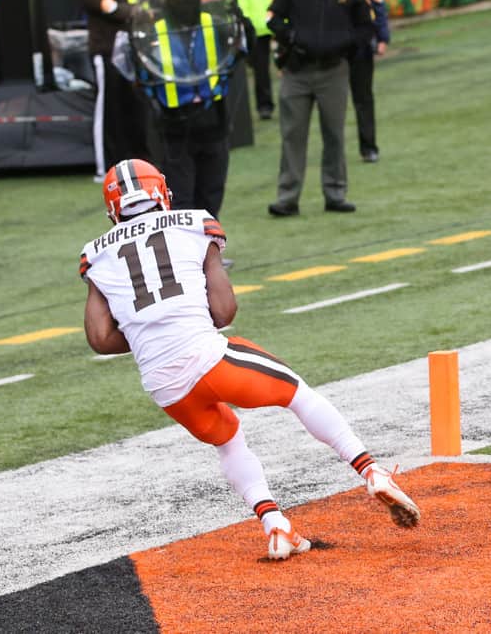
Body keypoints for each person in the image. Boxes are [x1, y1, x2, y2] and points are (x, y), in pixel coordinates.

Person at [80, 158, 421, 560]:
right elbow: (224, 311)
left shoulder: (96, 254)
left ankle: (276, 525)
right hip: (207, 355)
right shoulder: (192, 223)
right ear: (161, 194)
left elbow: (100, 339)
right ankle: (372, 471)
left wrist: (146, 333)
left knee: (228, 440)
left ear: (113, 208)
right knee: (297, 393)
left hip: (162, 383)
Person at [133, 0, 244, 221]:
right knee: (180, 194)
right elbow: (138, 72)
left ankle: (210, 251)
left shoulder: (214, 24)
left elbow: (240, 50)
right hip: (174, 123)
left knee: (212, 189)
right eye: (177, 1)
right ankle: (188, 255)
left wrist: (240, 23)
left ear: (197, 0)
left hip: (213, 118)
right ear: (166, 4)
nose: (183, 5)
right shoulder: (152, 33)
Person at [266, 0, 373, 217]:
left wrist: (348, 46)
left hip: (333, 71)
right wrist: (290, 37)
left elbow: (366, 26)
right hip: (296, 71)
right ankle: (287, 198)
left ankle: (335, 193)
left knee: (334, 132)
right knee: (292, 134)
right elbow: (273, 17)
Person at [79, 0, 153, 180]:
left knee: (133, 109)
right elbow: (110, 8)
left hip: (127, 54)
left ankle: (140, 164)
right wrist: (139, 10)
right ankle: (106, 168)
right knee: (109, 111)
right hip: (105, 54)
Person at [344, 0, 390, 163]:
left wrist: (382, 37)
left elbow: (378, 6)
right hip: (333, 49)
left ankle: (368, 147)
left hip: (361, 47)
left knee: (363, 98)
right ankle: (334, 151)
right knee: (331, 101)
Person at [235, 0, 292, 120]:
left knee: (291, 63)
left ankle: (297, 101)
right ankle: (264, 106)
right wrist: (246, 20)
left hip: (281, 20)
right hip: (258, 24)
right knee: (260, 69)